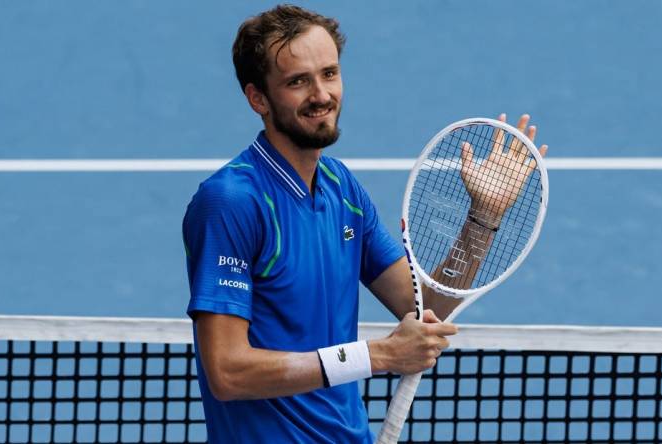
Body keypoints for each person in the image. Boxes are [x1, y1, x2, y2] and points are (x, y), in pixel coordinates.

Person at [183, 5, 547, 443]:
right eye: (298, 81)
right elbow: (228, 372)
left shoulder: (343, 189)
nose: (321, 95)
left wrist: (483, 216)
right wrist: (376, 355)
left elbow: (425, 306)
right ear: (258, 97)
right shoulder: (231, 202)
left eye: (329, 74)